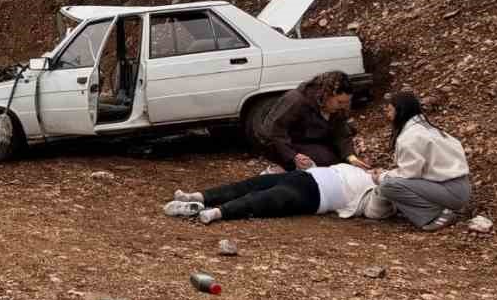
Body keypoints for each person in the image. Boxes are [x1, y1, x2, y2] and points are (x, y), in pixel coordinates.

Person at [164, 162, 394, 225]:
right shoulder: (355, 169)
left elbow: (375, 211)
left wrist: (381, 182)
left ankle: (218, 212)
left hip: (315, 195)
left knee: (266, 199)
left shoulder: (376, 191)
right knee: (249, 184)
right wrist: (310, 163)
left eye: (384, 173)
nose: (378, 171)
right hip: (303, 175)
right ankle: (198, 197)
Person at [375, 90, 473, 230]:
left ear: (401, 111)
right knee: (392, 181)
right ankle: (443, 208)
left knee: (388, 186)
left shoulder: (410, 137)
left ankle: (436, 215)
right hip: (461, 188)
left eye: (390, 111)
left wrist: (382, 176)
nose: (388, 115)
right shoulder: (428, 129)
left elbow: (409, 174)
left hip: (450, 191)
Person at [249, 71, 369, 172]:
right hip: (282, 143)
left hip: (312, 139)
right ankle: (278, 171)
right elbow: (275, 131)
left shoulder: (338, 108)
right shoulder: (296, 100)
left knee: (344, 162)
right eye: (340, 102)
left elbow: (341, 133)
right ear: (326, 95)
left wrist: (350, 156)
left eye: (346, 102)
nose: (343, 106)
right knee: (325, 162)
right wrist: (292, 156)